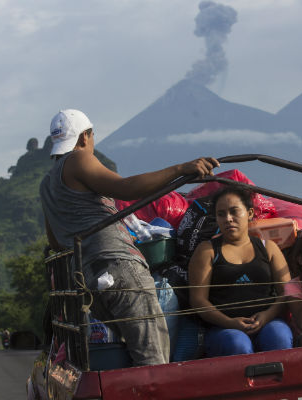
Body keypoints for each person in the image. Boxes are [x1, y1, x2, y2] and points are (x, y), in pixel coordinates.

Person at [40, 109, 219, 366]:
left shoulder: (47, 184)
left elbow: (57, 241)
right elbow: (127, 188)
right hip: (119, 266)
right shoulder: (78, 159)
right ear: (84, 138)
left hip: (89, 278)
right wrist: (181, 169)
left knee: (135, 355)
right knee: (153, 358)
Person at [188, 185, 293, 357]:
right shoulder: (207, 251)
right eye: (221, 214)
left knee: (278, 337)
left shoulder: (269, 248)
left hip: (269, 323)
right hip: (223, 330)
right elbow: (199, 301)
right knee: (237, 344)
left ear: (250, 213)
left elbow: (287, 292)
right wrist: (230, 323)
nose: (228, 219)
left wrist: (267, 316)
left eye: (234, 211)